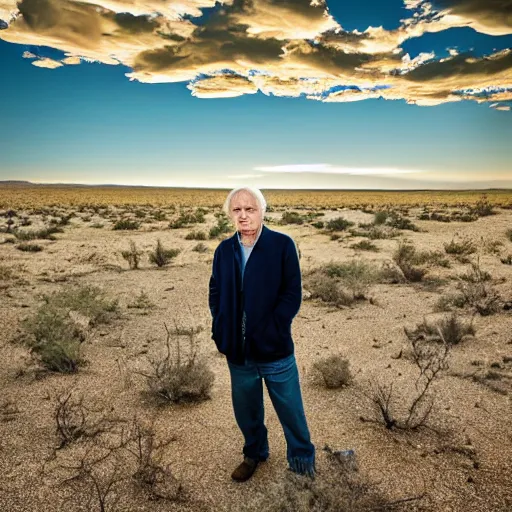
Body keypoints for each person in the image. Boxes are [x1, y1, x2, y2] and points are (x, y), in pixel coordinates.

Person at [208, 186, 315, 482]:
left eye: (250, 209)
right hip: (238, 352)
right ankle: (254, 453)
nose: (243, 216)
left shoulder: (281, 245)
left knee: (291, 410)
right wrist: (220, 328)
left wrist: (273, 328)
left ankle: (302, 462)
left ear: (262, 211)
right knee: (247, 411)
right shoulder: (224, 250)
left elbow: (292, 294)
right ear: (231, 214)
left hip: (274, 349)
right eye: (237, 210)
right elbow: (215, 290)